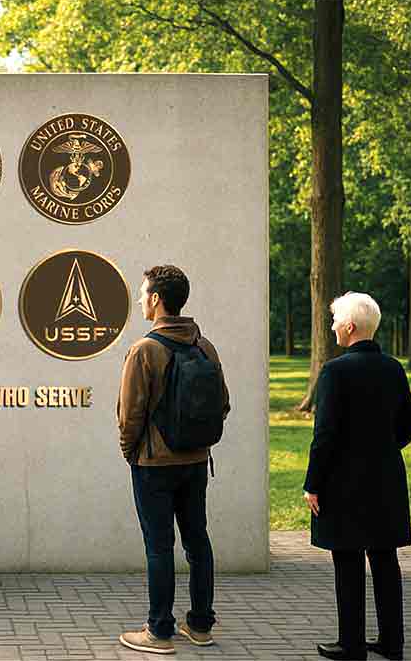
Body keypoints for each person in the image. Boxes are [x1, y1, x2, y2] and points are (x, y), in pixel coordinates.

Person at [116, 265, 230, 655]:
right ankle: (200, 625)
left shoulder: (145, 350)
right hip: (197, 462)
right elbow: (224, 404)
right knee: (198, 541)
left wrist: (131, 452)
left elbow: (129, 415)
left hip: (154, 465)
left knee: (159, 547)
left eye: (142, 292)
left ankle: (159, 631)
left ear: (156, 299)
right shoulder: (205, 347)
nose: (139, 299)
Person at [303, 292, 411, 661]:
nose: (332, 326)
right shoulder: (394, 368)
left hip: (343, 483)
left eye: (335, 320)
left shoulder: (335, 371)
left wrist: (313, 484)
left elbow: (325, 436)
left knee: (348, 561)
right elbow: (408, 427)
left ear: (350, 327)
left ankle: (351, 645)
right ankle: (391, 643)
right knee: (385, 559)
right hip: (386, 479)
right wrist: (381, 450)